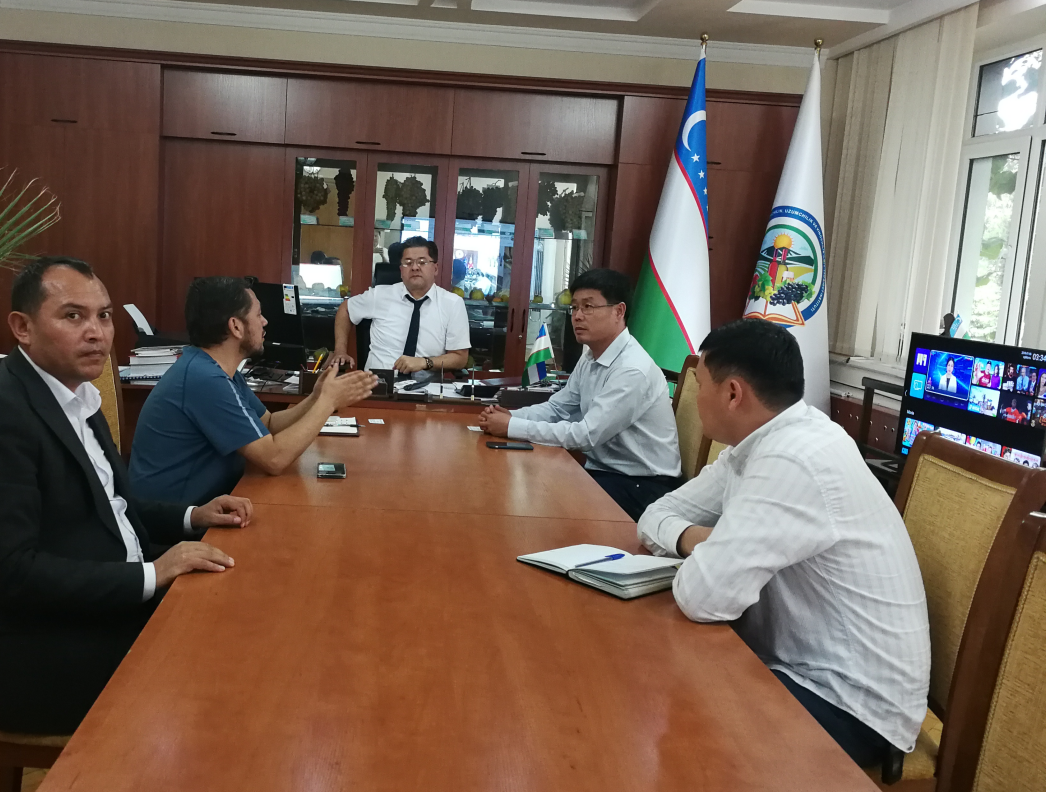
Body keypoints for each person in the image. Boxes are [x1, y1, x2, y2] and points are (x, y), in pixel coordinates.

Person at [0, 257, 251, 734]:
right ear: (22, 327)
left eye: (104, 315)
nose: (97, 333)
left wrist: (192, 516)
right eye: (72, 316)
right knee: (236, 673)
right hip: (41, 652)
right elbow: (12, 574)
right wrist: (152, 573)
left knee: (251, 603)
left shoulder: (74, 392)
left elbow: (108, 505)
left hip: (104, 602)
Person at [636, 318, 929, 769]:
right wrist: (703, 540)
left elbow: (702, 597)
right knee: (651, 683)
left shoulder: (795, 458)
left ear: (733, 393)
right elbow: (655, 515)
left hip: (849, 704)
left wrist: (712, 550)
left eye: (700, 385)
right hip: (793, 665)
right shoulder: (759, 442)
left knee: (672, 735)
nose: (695, 397)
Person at [130, 276, 378, 505]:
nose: (264, 322)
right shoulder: (204, 379)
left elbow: (268, 424)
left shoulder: (218, 369)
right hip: (174, 519)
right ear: (236, 327)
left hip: (214, 501)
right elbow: (274, 459)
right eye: (258, 315)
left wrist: (316, 397)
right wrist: (327, 402)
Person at [477, 268, 681, 521]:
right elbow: (557, 408)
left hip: (641, 486)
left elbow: (585, 436)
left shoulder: (632, 369)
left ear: (619, 311)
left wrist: (511, 427)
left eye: (588, 307)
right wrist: (511, 416)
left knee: (542, 502)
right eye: (574, 307)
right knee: (524, 481)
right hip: (603, 472)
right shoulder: (591, 356)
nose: (577, 316)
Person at [328, 236, 470, 373]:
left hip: (425, 386)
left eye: (422, 262)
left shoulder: (452, 304)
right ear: (401, 270)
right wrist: (339, 351)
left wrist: (425, 362)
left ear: (436, 268)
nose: (415, 267)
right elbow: (346, 309)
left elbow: (460, 358)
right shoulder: (380, 295)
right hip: (377, 383)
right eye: (408, 262)